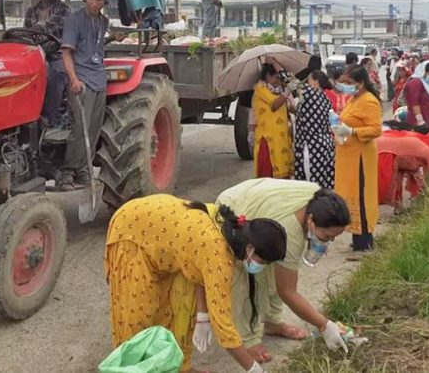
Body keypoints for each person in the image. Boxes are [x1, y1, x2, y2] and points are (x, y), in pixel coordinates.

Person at [105, 194, 287, 373]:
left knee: (170, 311)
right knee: (136, 320)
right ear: (250, 248)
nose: (260, 267)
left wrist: (202, 316)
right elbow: (224, 328)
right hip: (132, 233)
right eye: (262, 262)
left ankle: (176, 368)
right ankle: (128, 368)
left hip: (159, 232)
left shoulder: (231, 227)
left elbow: (199, 269)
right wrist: (254, 369)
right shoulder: (219, 256)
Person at [216, 179, 352, 363]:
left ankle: (273, 322)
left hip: (255, 200)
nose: (329, 242)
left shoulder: (319, 199)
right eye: (327, 236)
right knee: (249, 276)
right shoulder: (290, 230)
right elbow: (287, 291)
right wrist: (324, 325)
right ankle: (247, 338)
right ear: (311, 220)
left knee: (276, 269)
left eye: (334, 237)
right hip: (233, 208)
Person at [59, 0, 110, 190]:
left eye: (99, 0)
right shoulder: (74, 20)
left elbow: (94, 45)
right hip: (81, 79)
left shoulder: (103, 21)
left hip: (99, 78)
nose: (95, 3)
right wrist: (74, 80)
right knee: (80, 128)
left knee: (94, 128)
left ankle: (83, 170)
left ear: (105, 1)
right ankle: (68, 172)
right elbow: (66, 52)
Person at [331, 65, 383, 252]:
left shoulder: (369, 101)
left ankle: (365, 239)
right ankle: (357, 235)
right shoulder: (354, 99)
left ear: (360, 83)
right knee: (350, 194)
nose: (345, 86)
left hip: (360, 157)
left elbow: (376, 129)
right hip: (348, 155)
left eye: (349, 83)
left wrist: (352, 131)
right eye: (343, 82)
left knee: (361, 196)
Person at [23, 0, 72, 127]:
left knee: (53, 76)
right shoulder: (31, 11)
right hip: (35, 54)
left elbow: (49, 25)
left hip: (58, 55)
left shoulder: (64, 9)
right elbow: (25, 32)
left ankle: (52, 119)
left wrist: (33, 31)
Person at [376, 131, 429, 214]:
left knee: (396, 179)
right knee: (381, 187)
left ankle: (398, 207)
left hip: (381, 145)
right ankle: (368, 213)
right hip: (384, 152)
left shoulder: (420, 140)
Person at [294, 70, 335, 188]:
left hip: (312, 145)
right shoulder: (325, 98)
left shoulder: (311, 93)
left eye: (309, 79)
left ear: (316, 82)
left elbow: (292, 82)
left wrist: (278, 66)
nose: (307, 82)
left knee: (310, 181)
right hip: (325, 144)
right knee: (322, 180)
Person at [252, 63, 293, 179]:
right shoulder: (261, 89)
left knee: (283, 167)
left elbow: (288, 108)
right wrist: (287, 92)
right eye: (275, 77)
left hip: (281, 136)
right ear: (268, 76)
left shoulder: (278, 89)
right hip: (268, 136)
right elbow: (274, 105)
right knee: (268, 170)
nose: (277, 80)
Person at [404, 61, 429, 129]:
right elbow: (414, 102)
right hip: (418, 122)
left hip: (427, 119)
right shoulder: (415, 82)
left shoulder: (425, 84)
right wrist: (420, 121)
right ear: (423, 72)